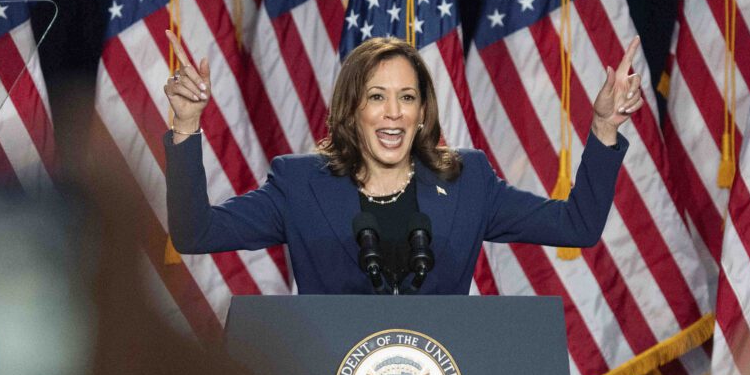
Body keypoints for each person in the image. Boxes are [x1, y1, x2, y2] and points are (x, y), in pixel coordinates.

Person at [161, 31, 645, 294]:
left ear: (421, 112)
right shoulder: (300, 185)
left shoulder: (467, 181)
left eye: (407, 97)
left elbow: (577, 226)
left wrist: (604, 129)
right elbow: (196, 233)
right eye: (376, 97)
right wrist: (186, 127)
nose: (393, 112)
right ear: (352, 108)